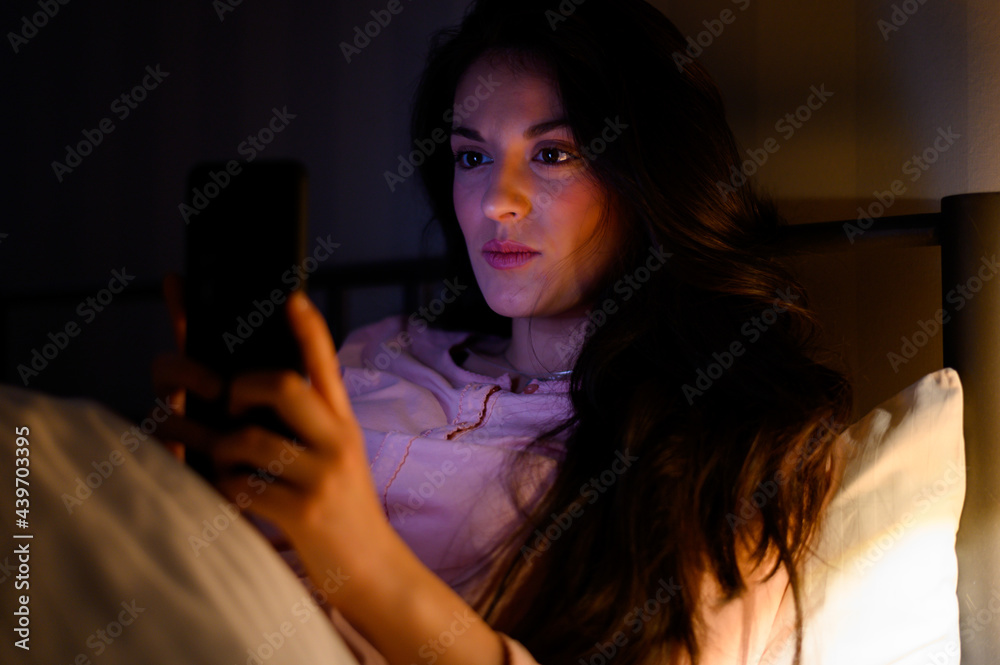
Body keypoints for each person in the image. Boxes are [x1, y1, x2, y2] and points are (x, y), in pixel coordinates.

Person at [155, 0, 853, 663]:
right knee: (44, 466)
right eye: (471, 156)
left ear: (647, 175)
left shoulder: (725, 437)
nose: (495, 200)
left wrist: (363, 562)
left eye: (552, 154)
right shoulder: (382, 351)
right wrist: (177, 494)